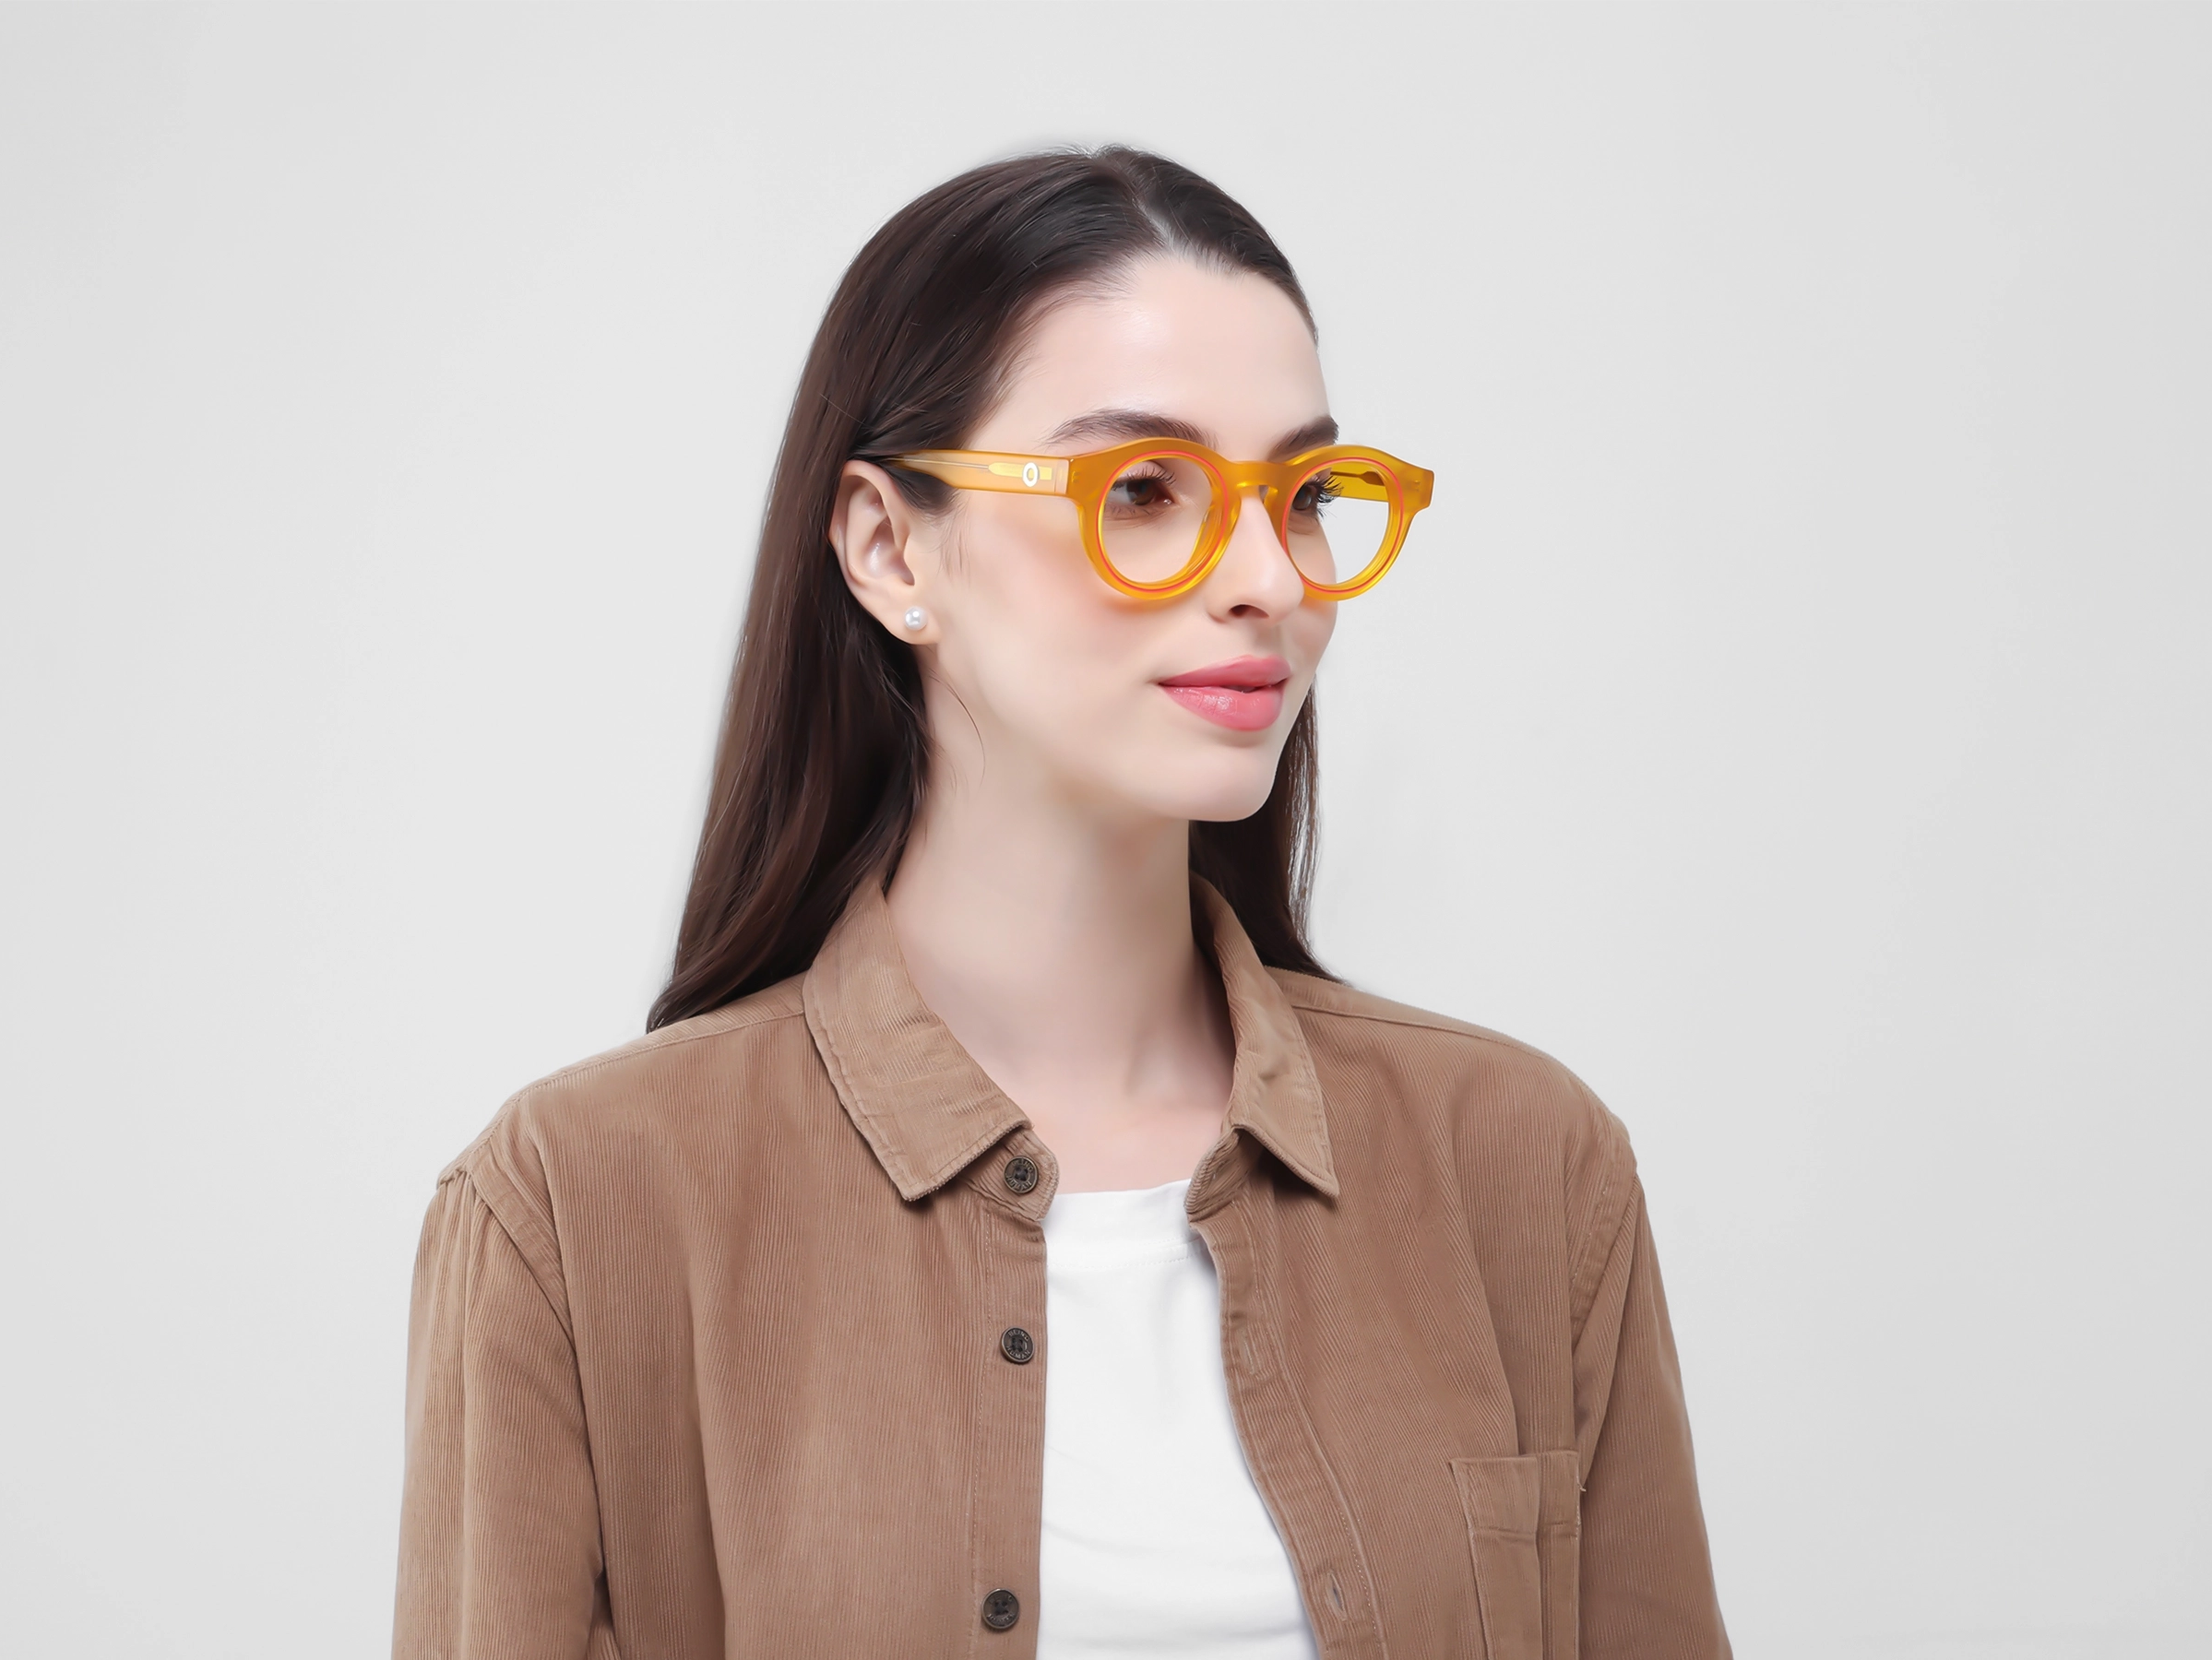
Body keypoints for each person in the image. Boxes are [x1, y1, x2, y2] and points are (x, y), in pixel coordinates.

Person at [393, 146, 1730, 1660]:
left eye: (1302, 495)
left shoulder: (1526, 1167)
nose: (1268, 578)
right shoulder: (575, 1209)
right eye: (1143, 490)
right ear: (890, 546)